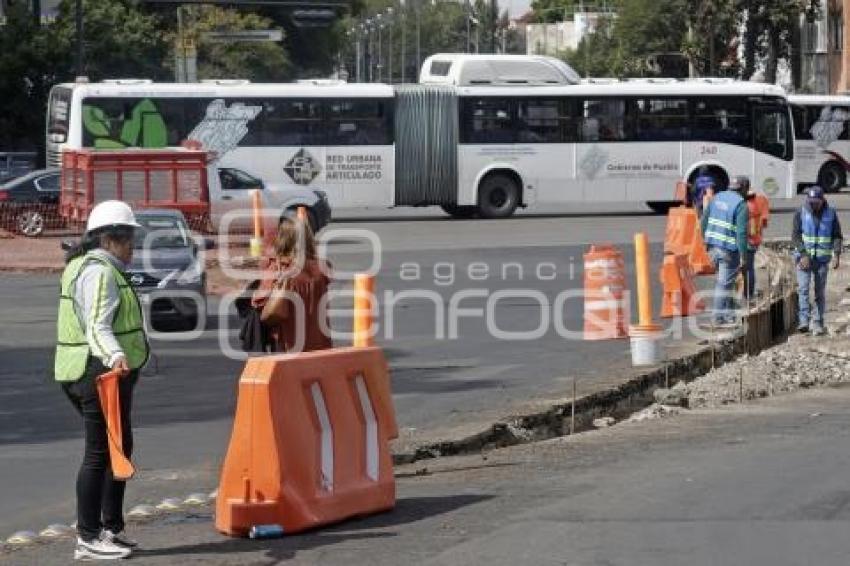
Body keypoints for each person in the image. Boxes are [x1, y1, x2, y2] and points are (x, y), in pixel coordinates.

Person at [55, 200, 149, 560]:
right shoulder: (99, 272)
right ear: (112, 239)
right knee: (100, 453)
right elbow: (96, 325)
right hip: (96, 371)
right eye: (130, 240)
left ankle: (111, 529)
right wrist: (115, 356)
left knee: (119, 449)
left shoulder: (93, 265)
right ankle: (88, 536)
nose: (133, 247)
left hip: (97, 370)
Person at [252, 217, 332, 352]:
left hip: (289, 342)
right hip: (320, 342)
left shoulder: (278, 268)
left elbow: (259, 302)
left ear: (283, 239)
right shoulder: (322, 267)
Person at [792, 186, 843, 336]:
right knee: (803, 289)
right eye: (811, 201)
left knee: (819, 293)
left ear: (822, 200)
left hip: (822, 260)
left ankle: (818, 323)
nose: (813, 205)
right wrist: (802, 254)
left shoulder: (831, 213)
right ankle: (803, 321)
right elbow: (795, 236)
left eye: (816, 202)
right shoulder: (800, 212)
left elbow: (837, 236)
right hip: (803, 260)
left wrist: (837, 254)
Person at [701, 179, 750, 327]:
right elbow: (741, 233)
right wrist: (743, 255)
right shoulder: (741, 205)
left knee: (725, 282)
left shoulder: (718, 197)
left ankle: (728, 315)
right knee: (724, 284)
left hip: (712, 246)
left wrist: (704, 242)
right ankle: (718, 318)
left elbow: (704, 221)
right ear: (744, 189)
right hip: (728, 249)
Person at [739, 176, 770, 299]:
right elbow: (765, 222)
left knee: (744, 268)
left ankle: (745, 293)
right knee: (749, 267)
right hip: (755, 239)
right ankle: (749, 293)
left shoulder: (743, 204)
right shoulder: (761, 201)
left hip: (744, 240)